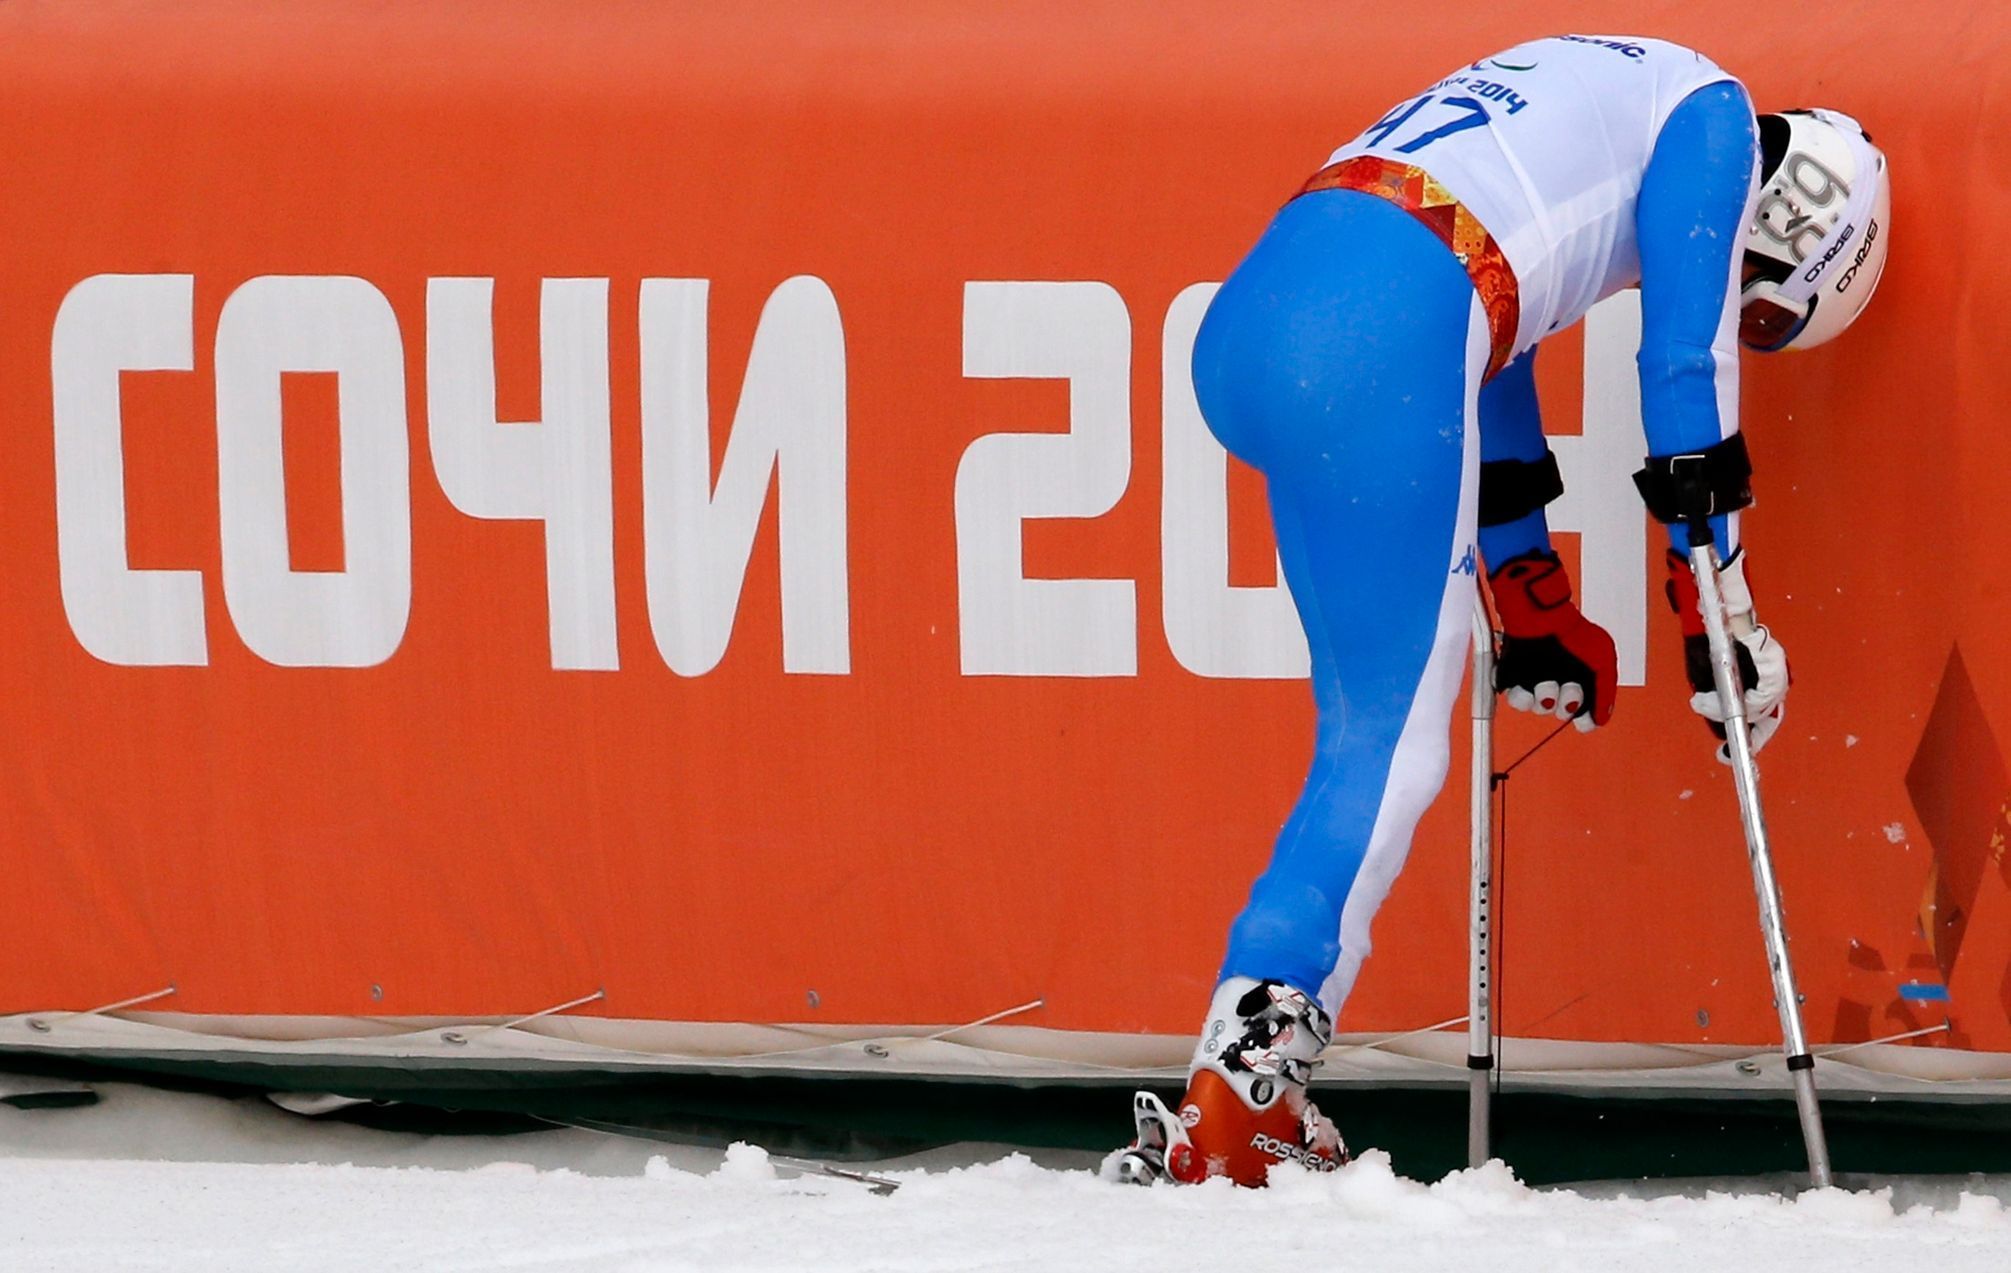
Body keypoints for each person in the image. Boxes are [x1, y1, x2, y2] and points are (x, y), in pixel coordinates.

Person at [1114, 33, 1891, 1187]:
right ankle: (1239, 1095)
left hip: (1277, 307)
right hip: (1384, 325)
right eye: (1768, 303)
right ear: (1803, 221)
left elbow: (1497, 318)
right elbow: (1686, 381)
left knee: (1369, 724)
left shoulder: (1612, 92)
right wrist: (1715, 593)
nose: (1743, 306)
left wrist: (1529, 594)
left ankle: (1251, 1085)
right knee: (1386, 747)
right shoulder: (1713, 119)